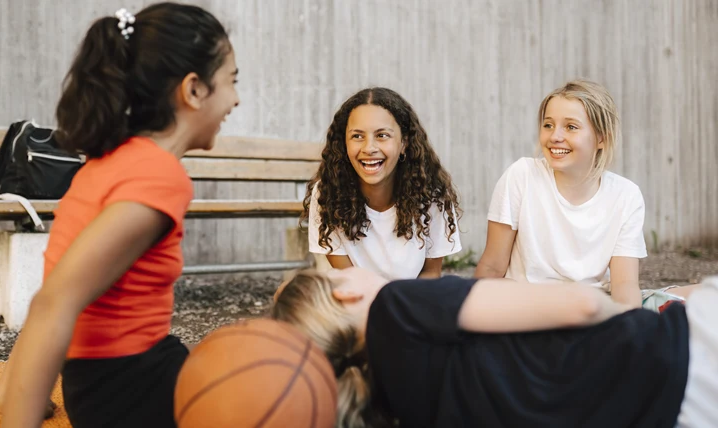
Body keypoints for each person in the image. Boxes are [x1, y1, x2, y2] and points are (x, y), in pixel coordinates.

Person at [0, 4, 239, 427]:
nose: (236, 99)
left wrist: (7, 389)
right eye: (232, 82)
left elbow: (58, 286)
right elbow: (55, 302)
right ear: (194, 89)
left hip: (98, 381)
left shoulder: (109, 162)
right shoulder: (160, 177)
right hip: (129, 388)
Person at [272, 267, 717, 428]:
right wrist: (636, 315)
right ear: (344, 293)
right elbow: (581, 304)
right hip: (677, 353)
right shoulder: (397, 306)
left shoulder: (397, 409)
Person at [474, 79, 694, 309]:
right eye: (548, 125)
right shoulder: (522, 175)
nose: (555, 136)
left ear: (602, 138)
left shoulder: (626, 195)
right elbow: (492, 267)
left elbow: (625, 285)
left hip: (593, 309)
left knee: (703, 295)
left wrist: (629, 330)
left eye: (571, 127)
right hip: (528, 308)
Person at [302, 87, 463, 280]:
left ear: (404, 143)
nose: (369, 148)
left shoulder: (431, 196)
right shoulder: (328, 193)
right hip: (358, 299)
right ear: (344, 144)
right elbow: (348, 277)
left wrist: (401, 304)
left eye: (382, 135)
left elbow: (431, 273)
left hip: (410, 300)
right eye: (357, 136)